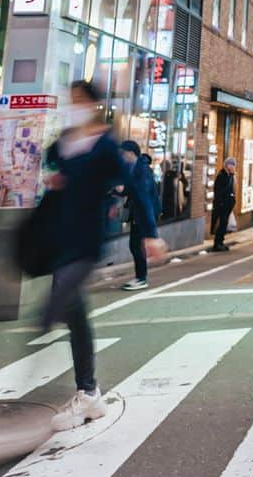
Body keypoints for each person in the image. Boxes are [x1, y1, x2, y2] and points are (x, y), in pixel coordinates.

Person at [43, 80, 158, 428]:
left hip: (86, 241)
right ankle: (89, 394)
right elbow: (52, 168)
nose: (73, 105)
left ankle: (88, 391)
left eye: (78, 100)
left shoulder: (106, 146)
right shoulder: (65, 141)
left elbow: (135, 188)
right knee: (68, 311)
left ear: (93, 105)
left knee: (56, 307)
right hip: (59, 237)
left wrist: (151, 233)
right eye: (70, 99)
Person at [119, 140, 163, 292]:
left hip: (144, 212)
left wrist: (152, 233)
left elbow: (144, 197)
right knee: (135, 245)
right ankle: (140, 277)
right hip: (139, 212)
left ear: (131, 153)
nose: (122, 156)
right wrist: (120, 190)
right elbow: (131, 189)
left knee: (136, 245)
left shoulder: (142, 170)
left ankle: (141, 278)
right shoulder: (133, 167)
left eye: (123, 153)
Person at [210, 157, 236, 251]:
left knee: (224, 224)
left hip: (227, 204)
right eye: (232, 165)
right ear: (227, 165)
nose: (234, 167)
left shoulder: (230, 176)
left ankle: (220, 242)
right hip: (221, 204)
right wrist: (221, 202)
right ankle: (217, 243)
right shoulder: (222, 175)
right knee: (221, 224)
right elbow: (219, 191)